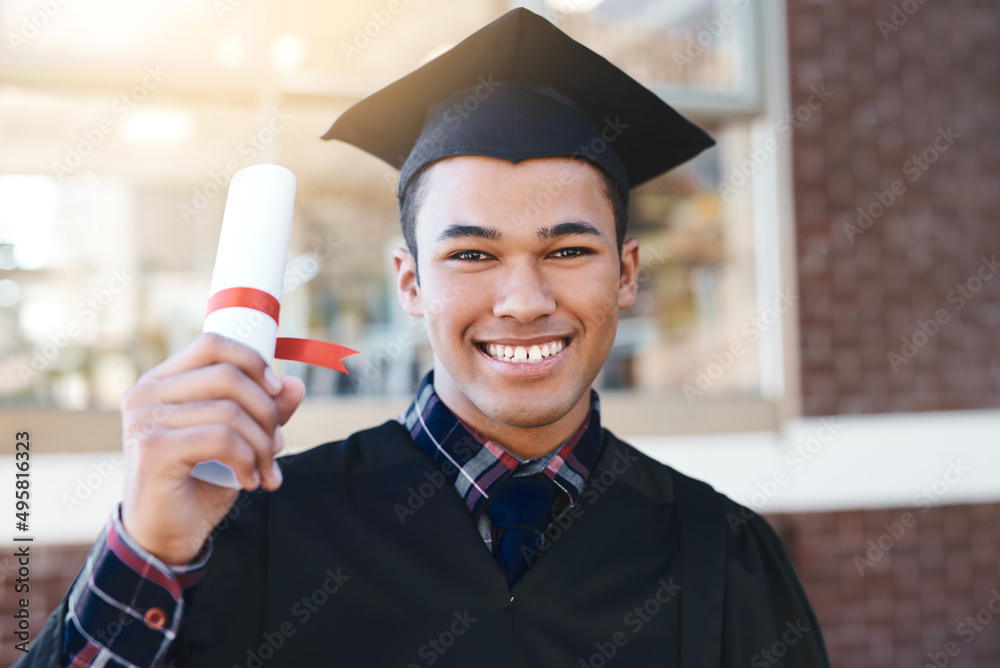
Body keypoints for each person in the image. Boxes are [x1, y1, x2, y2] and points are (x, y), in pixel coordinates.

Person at [18, 8, 831, 667]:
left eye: (568, 250)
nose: (522, 299)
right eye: (471, 254)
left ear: (626, 272)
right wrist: (148, 545)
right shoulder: (250, 530)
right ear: (409, 282)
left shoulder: (722, 556)